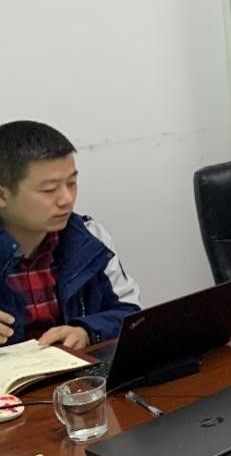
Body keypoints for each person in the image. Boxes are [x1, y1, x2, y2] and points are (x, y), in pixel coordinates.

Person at [0, 120, 140, 347]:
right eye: (49, 190)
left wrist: (86, 331)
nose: (66, 199)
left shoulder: (88, 238)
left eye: (72, 183)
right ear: (2, 196)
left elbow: (130, 312)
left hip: (80, 368)